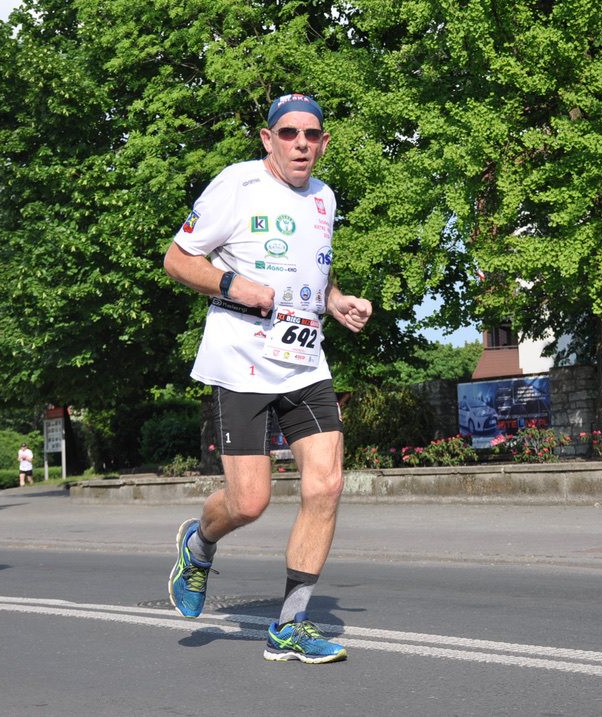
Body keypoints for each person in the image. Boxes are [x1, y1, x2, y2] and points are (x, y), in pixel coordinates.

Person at [163, 93, 372, 664]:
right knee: (249, 501)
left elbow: (312, 271)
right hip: (241, 360)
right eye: (288, 133)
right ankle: (199, 543)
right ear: (267, 139)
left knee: (326, 485)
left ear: (324, 142)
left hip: (304, 361)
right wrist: (235, 287)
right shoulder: (238, 184)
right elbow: (177, 260)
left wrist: (336, 301)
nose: (301, 143)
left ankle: (290, 625)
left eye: (311, 134)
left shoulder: (325, 197)